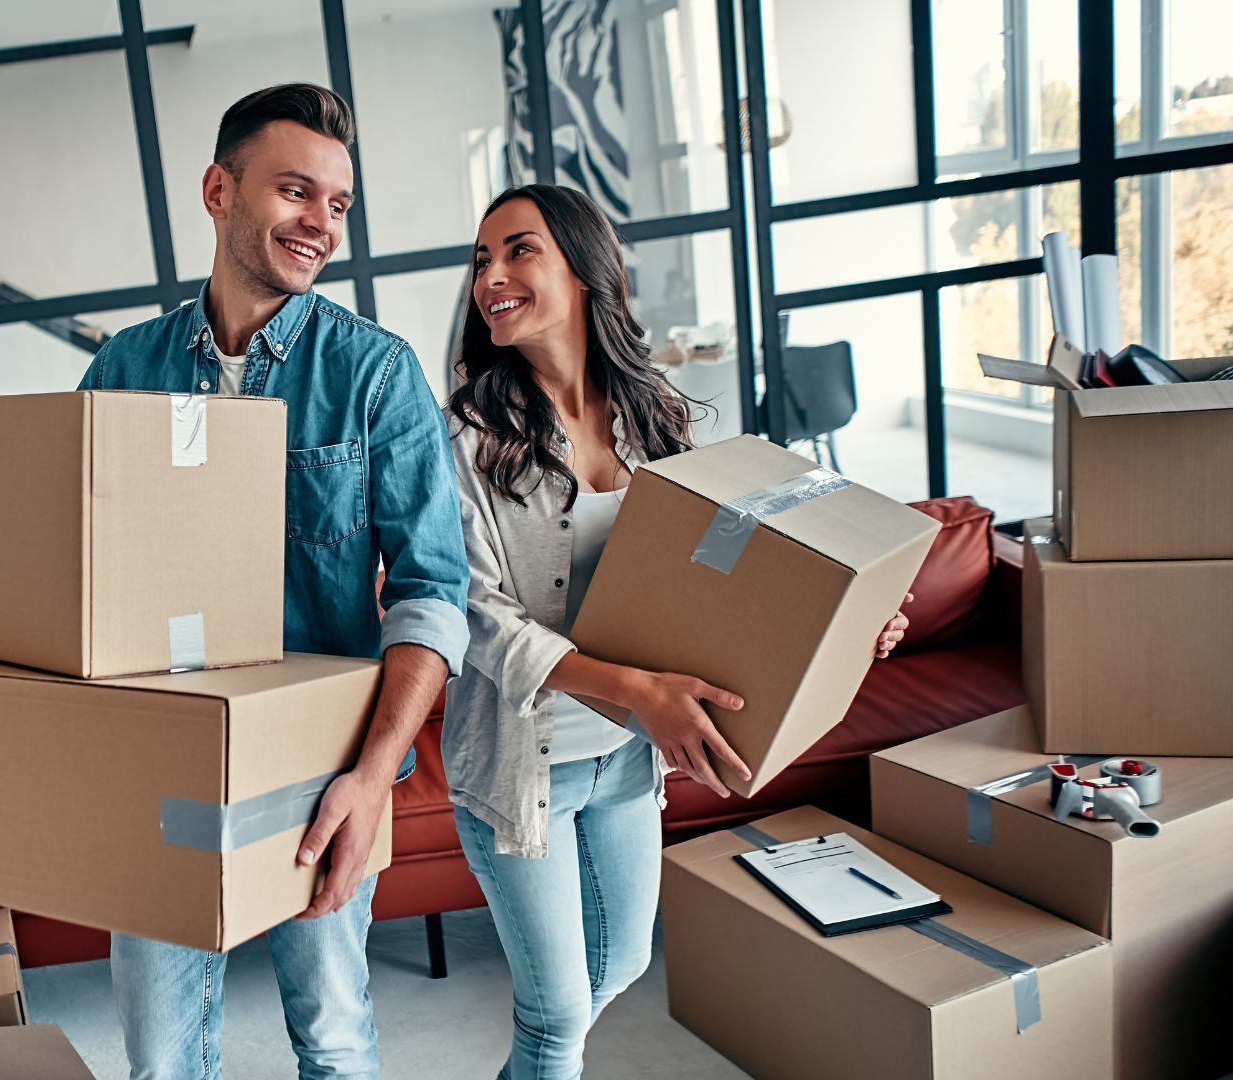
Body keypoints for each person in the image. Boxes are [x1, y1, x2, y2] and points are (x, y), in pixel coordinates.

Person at [443, 183, 911, 1080]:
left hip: (625, 758)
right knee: (555, 1020)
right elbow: (476, 618)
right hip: (518, 764)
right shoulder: (464, 437)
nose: (490, 277)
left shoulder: (660, 416)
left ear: (583, 270)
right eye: (480, 260)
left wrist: (852, 614)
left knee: (616, 966)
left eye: (516, 251)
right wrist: (637, 691)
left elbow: (751, 561)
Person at [76, 83, 469, 1079]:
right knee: (160, 1060)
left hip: (318, 773)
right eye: (296, 192)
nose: (320, 225)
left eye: (337, 204)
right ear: (219, 189)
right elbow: (76, 575)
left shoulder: (376, 375)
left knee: (335, 1042)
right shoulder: (121, 370)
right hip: (157, 766)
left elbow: (432, 593)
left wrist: (373, 779)